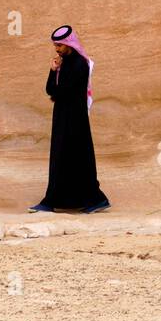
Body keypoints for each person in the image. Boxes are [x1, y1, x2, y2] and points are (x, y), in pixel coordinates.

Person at [29, 25, 110, 213]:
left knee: (79, 159)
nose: (56, 49)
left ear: (68, 43)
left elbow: (61, 91)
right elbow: (51, 90)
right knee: (61, 158)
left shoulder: (80, 64)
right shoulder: (63, 63)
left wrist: (57, 90)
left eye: (59, 45)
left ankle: (95, 200)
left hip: (75, 120)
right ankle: (54, 201)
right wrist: (52, 70)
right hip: (62, 117)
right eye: (55, 45)